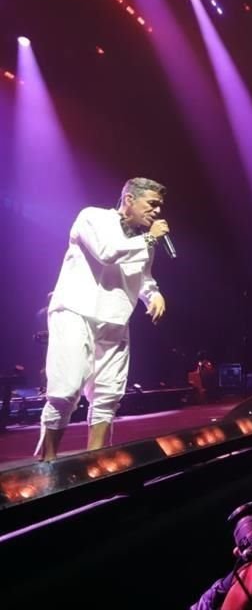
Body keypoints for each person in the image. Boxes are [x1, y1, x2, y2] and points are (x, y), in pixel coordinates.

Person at [37, 177, 169, 461]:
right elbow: (106, 253)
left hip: (117, 316)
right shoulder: (92, 217)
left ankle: (95, 462)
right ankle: (47, 463)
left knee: (108, 395)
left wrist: (153, 294)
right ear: (130, 200)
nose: (157, 211)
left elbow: (143, 277)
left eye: (160, 206)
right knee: (66, 389)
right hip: (76, 310)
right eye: (152, 204)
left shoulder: (147, 242)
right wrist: (148, 239)